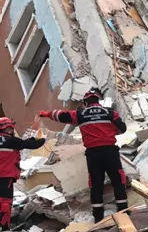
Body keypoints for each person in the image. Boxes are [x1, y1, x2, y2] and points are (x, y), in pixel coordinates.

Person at [38, 88, 128, 223]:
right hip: (110, 152)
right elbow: (123, 128)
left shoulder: (80, 114)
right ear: (98, 100)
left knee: (96, 184)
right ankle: (124, 211)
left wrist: (46, 114)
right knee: (118, 180)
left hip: (93, 154)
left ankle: (98, 217)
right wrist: (108, 133)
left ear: (86, 102)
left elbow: (61, 115)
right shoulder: (110, 112)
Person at [0, 117, 45, 232]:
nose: (11, 130)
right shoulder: (12, 141)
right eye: (9, 128)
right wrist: (42, 139)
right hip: (5, 178)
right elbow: (32, 145)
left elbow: (23, 143)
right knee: (4, 206)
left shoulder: (12, 141)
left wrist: (27, 141)